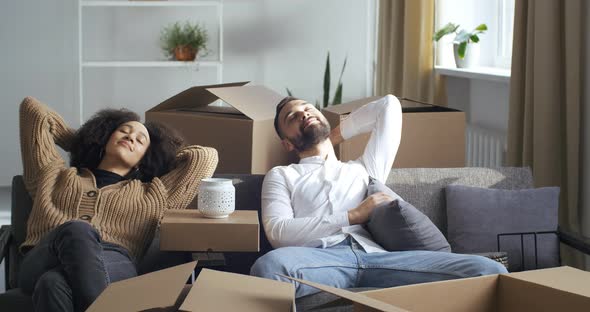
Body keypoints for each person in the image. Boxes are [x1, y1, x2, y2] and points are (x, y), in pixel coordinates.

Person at [250, 95, 507, 298]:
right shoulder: (282, 175)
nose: (304, 113)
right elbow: (279, 233)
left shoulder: (364, 168)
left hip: (380, 258)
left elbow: (389, 106)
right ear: (288, 144)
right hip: (319, 260)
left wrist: (333, 136)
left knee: (489, 270)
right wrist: (353, 215)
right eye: (293, 117)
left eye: (308, 108)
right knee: (268, 268)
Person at [17, 97, 218, 312]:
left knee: (52, 284)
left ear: (145, 157)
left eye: (141, 140)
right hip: (45, 256)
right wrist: (82, 142)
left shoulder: (154, 193)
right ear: (105, 138)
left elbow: (205, 156)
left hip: (112, 263)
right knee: (76, 229)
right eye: (124, 131)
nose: (131, 136)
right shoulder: (53, 175)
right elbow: (33, 110)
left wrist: (163, 159)